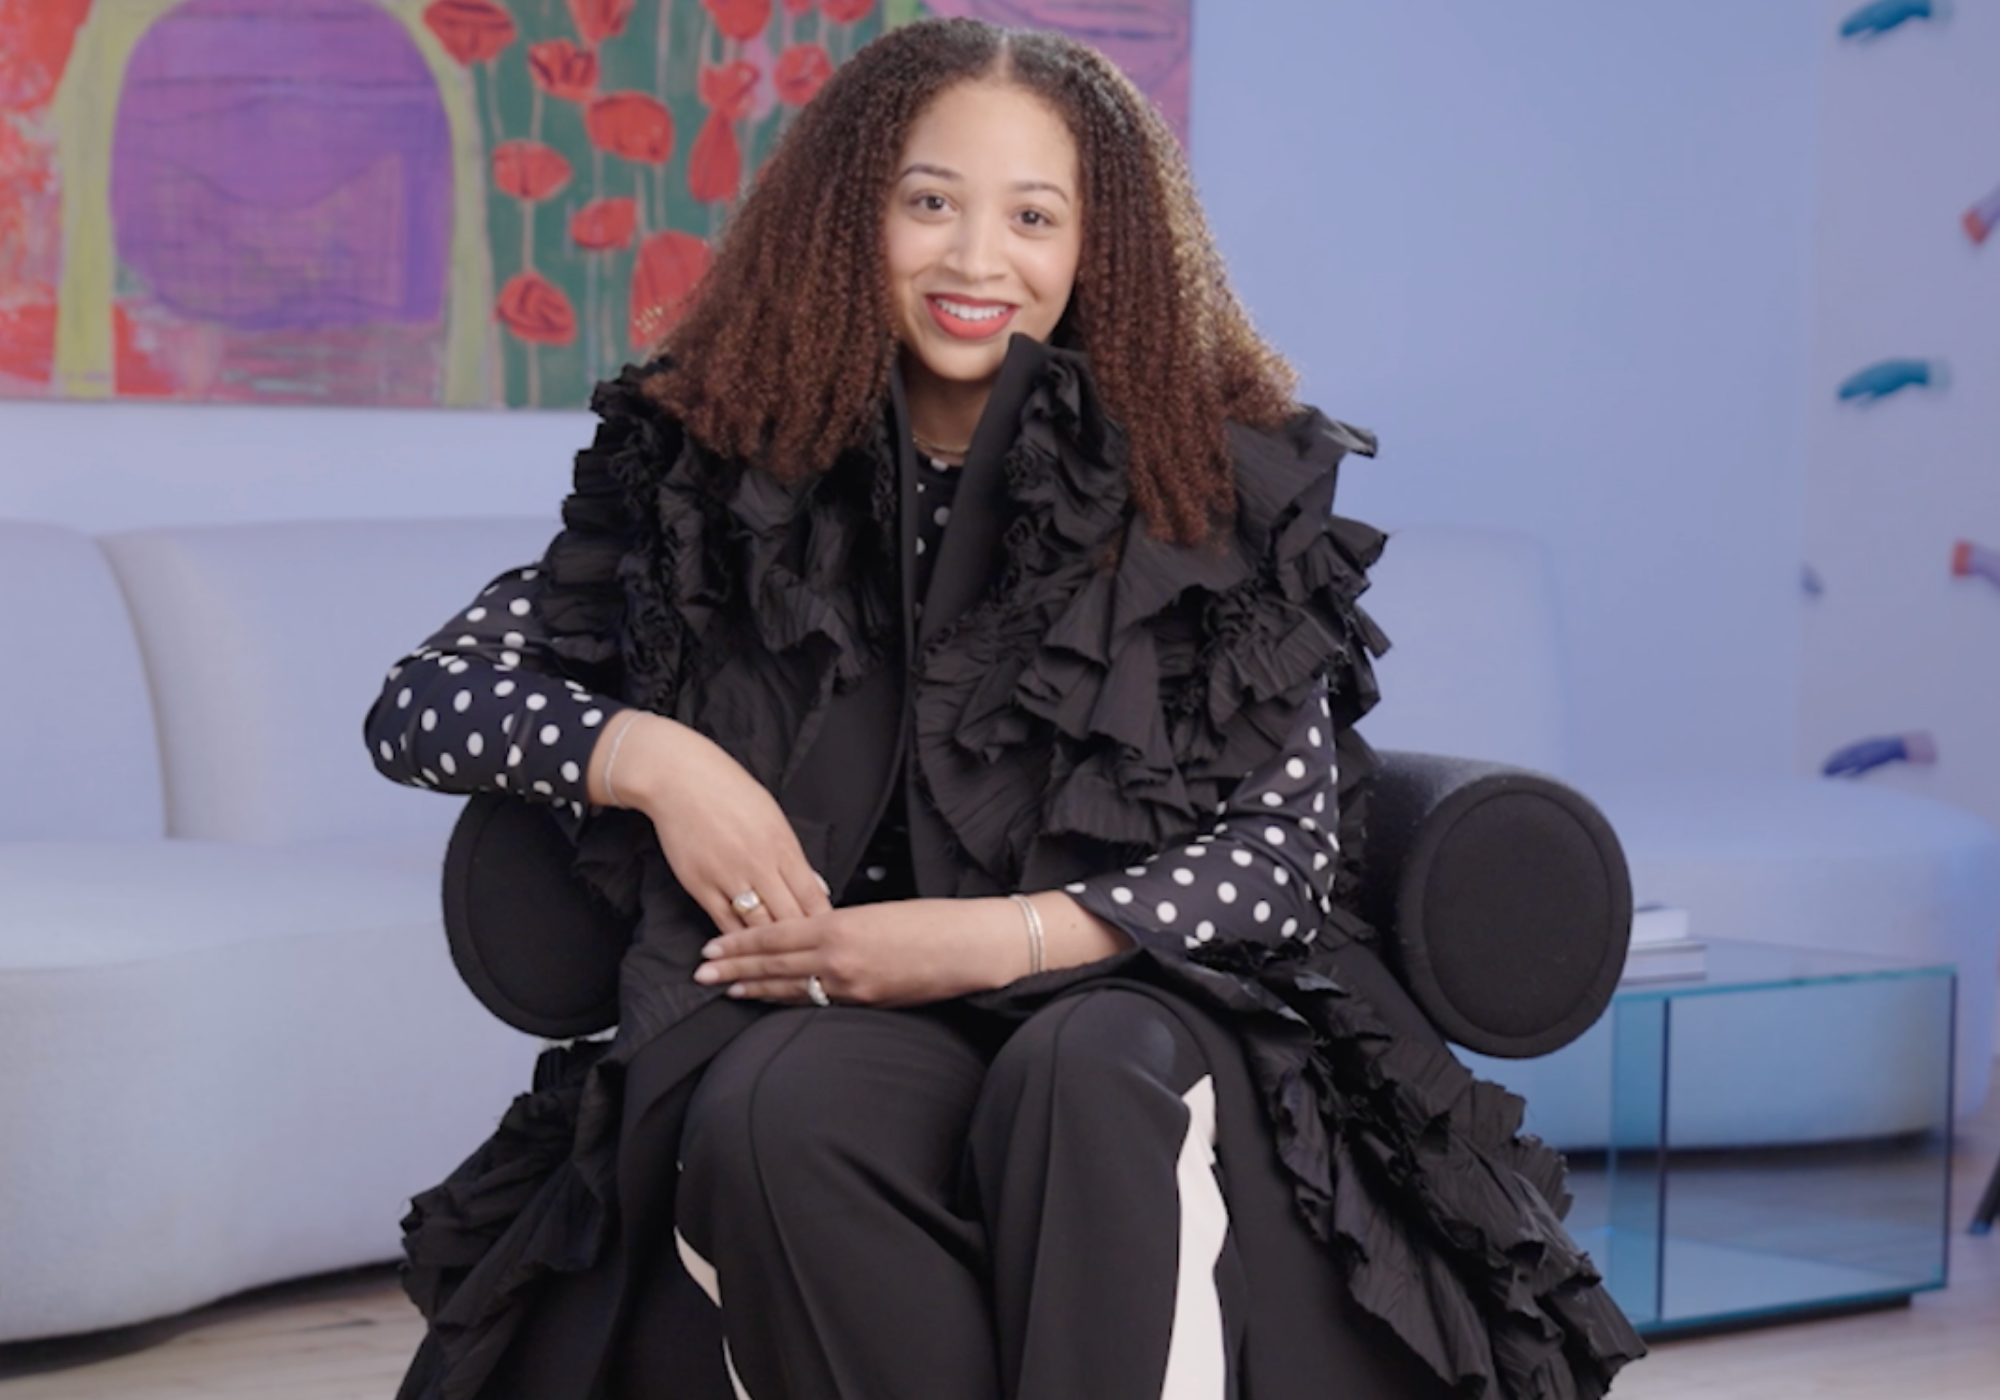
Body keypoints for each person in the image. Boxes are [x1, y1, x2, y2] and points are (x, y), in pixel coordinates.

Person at [367, 18, 1642, 1400]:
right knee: (764, 1107)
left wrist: (996, 938)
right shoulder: (715, 472)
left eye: (1034, 216)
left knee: (1082, 1071)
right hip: (857, 1022)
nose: (978, 261)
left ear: (1103, 248)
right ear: (851, 219)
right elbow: (424, 700)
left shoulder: (1210, 492)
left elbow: (1277, 865)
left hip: (1148, 1003)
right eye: (930, 203)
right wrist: (657, 760)